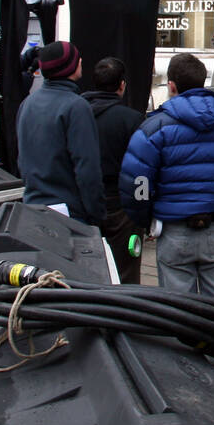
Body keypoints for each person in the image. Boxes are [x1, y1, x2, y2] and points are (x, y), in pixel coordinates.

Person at [120, 52, 214, 305]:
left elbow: (138, 181)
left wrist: (146, 219)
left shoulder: (155, 128)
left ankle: (185, 343)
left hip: (174, 230)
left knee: (179, 311)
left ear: (171, 85)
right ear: (203, 82)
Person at [15, 41, 105, 227]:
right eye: (77, 59)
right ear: (70, 66)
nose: (81, 61)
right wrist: (97, 214)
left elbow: (22, 159)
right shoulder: (76, 106)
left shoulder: (27, 103)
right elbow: (87, 168)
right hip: (68, 214)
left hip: (33, 208)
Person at [82, 57, 145, 283]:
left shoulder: (77, 114)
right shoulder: (132, 119)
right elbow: (142, 167)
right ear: (122, 85)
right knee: (125, 270)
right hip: (121, 206)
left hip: (83, 201)